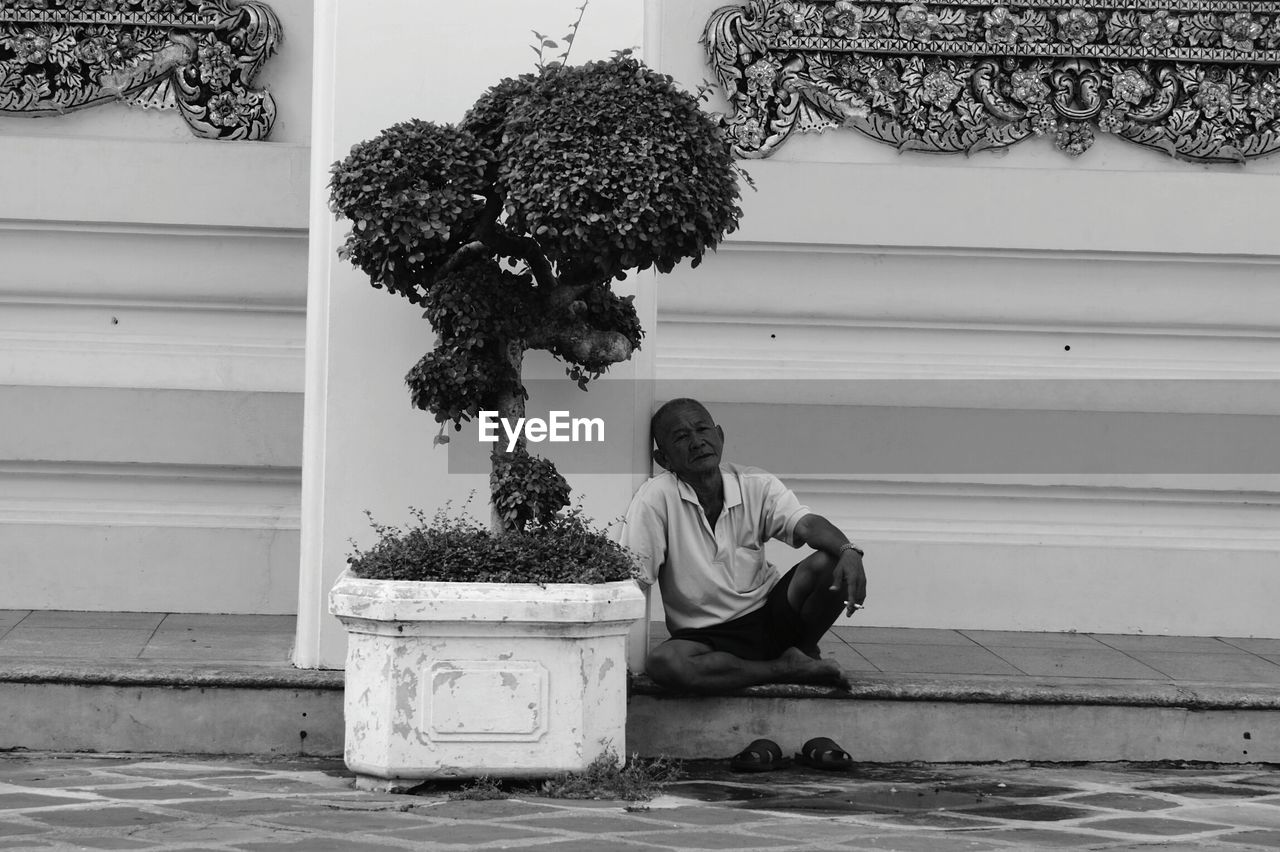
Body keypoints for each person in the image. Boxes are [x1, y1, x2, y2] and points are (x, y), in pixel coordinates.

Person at [620, 398, 868, 692]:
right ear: (664, 459)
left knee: (829, 562)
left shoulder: (753, 483)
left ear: (720, 436)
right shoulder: (655, 498)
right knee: (665, 664)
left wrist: (849, 551)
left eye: (702, 430)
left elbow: (806, 524)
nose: (697, 442)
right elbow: (632, 575)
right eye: (682, 437)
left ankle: (801, 651)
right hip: (704, 637)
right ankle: (785, 668)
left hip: (769, 617)